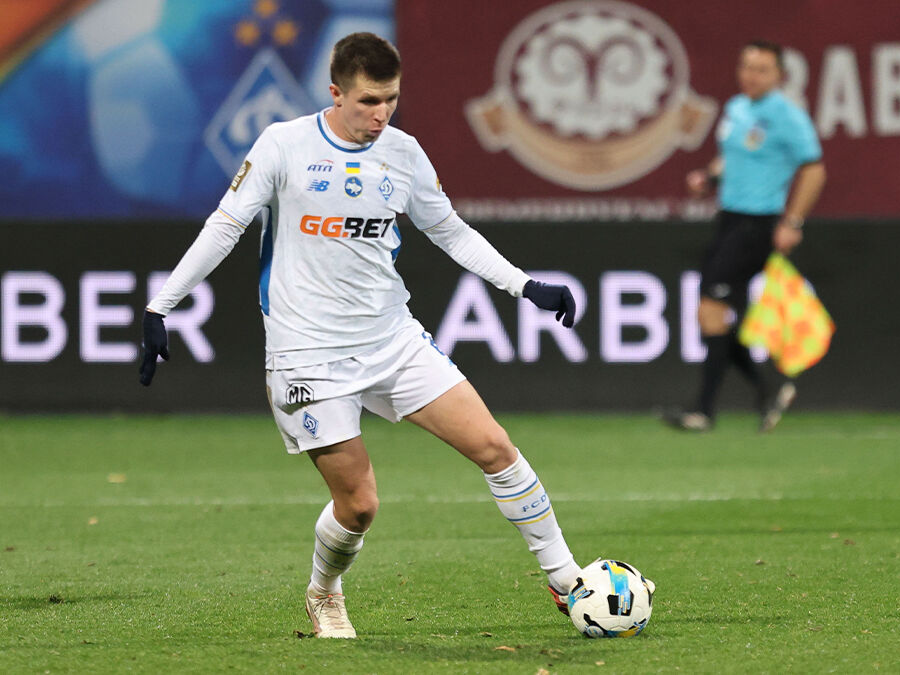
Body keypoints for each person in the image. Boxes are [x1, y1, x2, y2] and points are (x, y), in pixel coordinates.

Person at [137, 33, 583, 639]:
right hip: (307, 354)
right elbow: (225, 226)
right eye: (369, 100)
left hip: (391, 340)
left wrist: (524, 285)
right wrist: (161, 305)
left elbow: (450, 231)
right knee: (360, 505)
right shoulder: (284, 145)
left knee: (495, 448)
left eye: (391, 99)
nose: (381, 114)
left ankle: (567, 580)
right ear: (336, 92)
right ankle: (324, 592)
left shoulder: (403, 153)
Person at [664, 40, 827, 433]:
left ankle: (704, 411)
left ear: (780, 76)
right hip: (728, 219)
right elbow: (732, 156)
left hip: (758, 223)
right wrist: (709, 178)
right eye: (746, 67)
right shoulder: (737, 108)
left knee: (711, 311)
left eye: (761, 69)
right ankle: (767, 391)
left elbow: (814, 169)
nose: (751, 76)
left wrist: (792, 222)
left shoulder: (787, 116)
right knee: (711, 315)